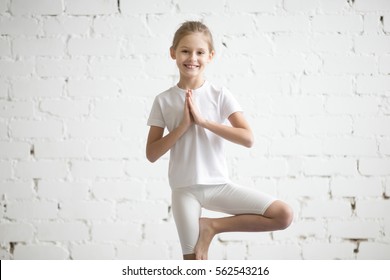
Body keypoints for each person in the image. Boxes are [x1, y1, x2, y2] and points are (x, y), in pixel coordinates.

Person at [146, 21, 293, 260]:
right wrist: (183, 126)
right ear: (173, 53)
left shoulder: (219, 94)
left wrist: (203, 122)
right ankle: (206, 232)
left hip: (218, 185)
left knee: (283, 214)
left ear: (210, 56)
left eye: (200, 52)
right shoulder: (163, 100)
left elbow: (248, 138)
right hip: (184, 190)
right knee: (194, 264)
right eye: (185, 50)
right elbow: (151, 153)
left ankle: (212, 226)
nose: (192, 57)